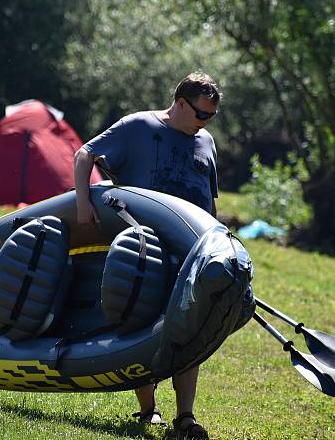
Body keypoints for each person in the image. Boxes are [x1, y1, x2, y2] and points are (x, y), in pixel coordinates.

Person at [74, 71, 221, 440]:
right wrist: (82, 204)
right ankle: (148, 410)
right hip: (143, 252)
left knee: (190, 330)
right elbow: (84, 154)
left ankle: (185, 416)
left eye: (212, 117)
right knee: (144, 325)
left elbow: (210, 203)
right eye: (201, 114)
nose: (205, 123)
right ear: (181, 104)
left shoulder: (206, 141)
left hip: (192, 255)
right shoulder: (137, 126)